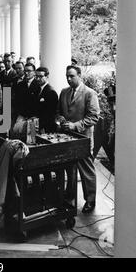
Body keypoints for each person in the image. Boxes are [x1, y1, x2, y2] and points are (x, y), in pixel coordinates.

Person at [57, 65, 100, 214]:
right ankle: (70, 198)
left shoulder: (89, 93)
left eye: (72, 76)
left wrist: (75, 126)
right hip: (67, 138)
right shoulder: (64, 92)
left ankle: (90, 200)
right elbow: (59, 113)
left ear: (79, 75)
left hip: (83, 139)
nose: (68, 79)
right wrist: (61, 119)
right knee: (70, 169)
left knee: (86, 170)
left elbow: (94, 117)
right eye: (67, 76)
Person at [34, 67, 58, 133]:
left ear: (47, 77)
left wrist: (42, 127)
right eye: (36, 76)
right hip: (37, 124)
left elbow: (51, 114)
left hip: (46, 127)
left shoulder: (51, 92)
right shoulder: (37, 89)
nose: (38, 79)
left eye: (41, 76)